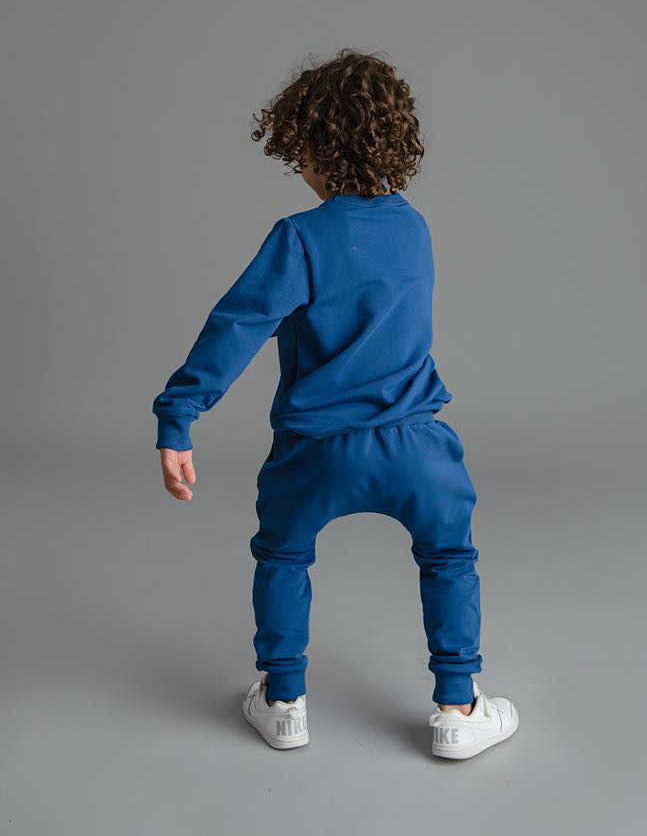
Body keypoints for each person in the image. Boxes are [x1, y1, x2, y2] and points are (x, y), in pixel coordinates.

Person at [151, 49, 518, 759]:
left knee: (282, 556)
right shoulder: (414, 227)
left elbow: (237, 326)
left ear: (314, 147)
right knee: (449, 557)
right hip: (418, 448)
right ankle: (457, 708)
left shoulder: (300, 237)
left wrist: (179, 416)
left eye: (300, 153)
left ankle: (283, 702)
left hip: (315, 451)